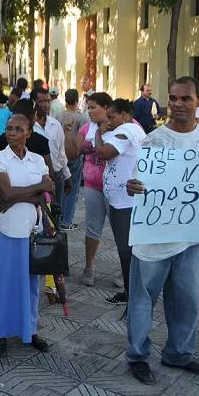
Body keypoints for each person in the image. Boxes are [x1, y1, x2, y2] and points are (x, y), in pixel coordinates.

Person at [125, 76, 199, 385]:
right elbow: (138, 182)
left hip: (190, 239)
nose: (177, 104)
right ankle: (137, 356)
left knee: (188, 300)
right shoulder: (153, 140)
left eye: (185, 99)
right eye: (173, 98)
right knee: (142, 300)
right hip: (153, 239)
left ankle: (179, 353)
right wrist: (133, 186)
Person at [0, 114, 53, 357]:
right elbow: (4, 192)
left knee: (31, 283)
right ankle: (1, 334)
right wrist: (38, 190)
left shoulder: (37, 160)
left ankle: (31, 330)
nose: (12, 132)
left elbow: (50, 193)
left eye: (18, 129)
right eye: (9, 128)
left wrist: (23, 196)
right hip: (6, 229)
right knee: (4, 283)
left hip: (33, 230)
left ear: (29, 133)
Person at [95, 99, 146, 305]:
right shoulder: (126, 130)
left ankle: (132, 295)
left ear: (124, 115)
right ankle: (131, 291)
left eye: (111, 116)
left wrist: (99, 133)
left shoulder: (127, 130)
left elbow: (102, 152)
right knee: (126, 250)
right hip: (121, 200)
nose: (108, 121)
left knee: (127, 252)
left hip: (126, 202)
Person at [65, 92, 114, 287]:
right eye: (89, 107)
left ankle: (125, 271)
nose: (90, 111)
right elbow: (72, 154)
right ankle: (89, 268)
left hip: (117, 188)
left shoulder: (122, 125)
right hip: (93, 185)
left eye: (94, 107)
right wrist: (68, 132)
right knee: (93, 229)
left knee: (122, 232)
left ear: (106, 108)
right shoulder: (86, 128)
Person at [33, 88, 71, 217]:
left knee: (55, 213)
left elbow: (61, 152)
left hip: (56, 175)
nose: (46, 105)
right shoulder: (28, 127)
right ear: (34, 103)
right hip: (36, 177)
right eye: (41, 101)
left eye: (48, 101)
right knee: (38, 215)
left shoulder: (55, 125)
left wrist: (67, 176)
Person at [57, 89, 88, 230]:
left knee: (61, 188)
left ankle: (58, 218)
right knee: (73, 189)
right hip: (75, 156)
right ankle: (67, 221)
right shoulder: (81, 118)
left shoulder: (58, 116)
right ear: (77, 101)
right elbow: (83, 138)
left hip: (59, 157)